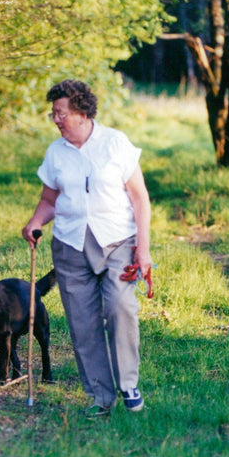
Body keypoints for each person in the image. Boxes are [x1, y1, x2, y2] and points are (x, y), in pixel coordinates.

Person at [22, 79, 152, 418]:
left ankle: (129, 384)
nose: (56, 120)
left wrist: (144, 249)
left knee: (121, 307)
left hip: (117, 242)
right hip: (70, 245)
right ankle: (100, 396)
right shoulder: (56, 153)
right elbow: (49, 200)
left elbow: (140, 197)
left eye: (60, 114)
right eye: (53, 114)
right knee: (82, 323)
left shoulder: (115, 144)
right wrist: (35, 222)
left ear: (81, 113)